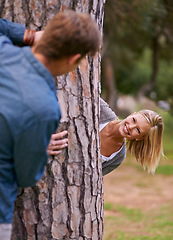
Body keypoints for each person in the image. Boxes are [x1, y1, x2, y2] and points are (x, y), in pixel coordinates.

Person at [0, 11, 101, 239]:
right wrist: (36, 146)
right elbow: (26, 176)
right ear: (74, 58)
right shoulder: (45, 109)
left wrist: (28, 36)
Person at [47, 98, 164, 175]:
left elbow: (92, 180)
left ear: (139, 138)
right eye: (134, 120)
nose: (130, 127)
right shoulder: (102, 110)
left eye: (137, 130)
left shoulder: (117, 157)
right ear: (132, 114)